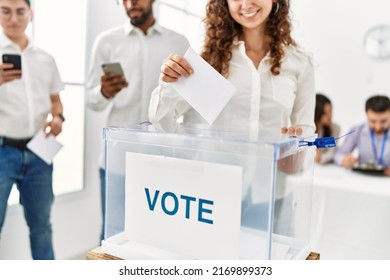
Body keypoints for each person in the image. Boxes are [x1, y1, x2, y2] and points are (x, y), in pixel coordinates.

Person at [149, 0, 315, 235]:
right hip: (213, 195)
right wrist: (167, 83)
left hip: (272, 195)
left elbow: (306, 130)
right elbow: (162, 121)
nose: (246, 4)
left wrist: (297, 149)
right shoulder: (208, 59)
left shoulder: (300, 63)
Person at [86, 0, 189, 240]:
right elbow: (91, 100)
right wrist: (104, 92)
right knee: (112, 235)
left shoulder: (178, 43)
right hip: (117, 158)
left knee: (160, 235)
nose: (131, 3)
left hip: (164, 159)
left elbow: (189, 103)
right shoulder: (106, 41)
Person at [0, 0, 65, 259]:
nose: (14, 18)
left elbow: (55, 101)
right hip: (2, 152)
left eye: (20, 12)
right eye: (6, 11)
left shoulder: (46, 59)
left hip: (39, 151)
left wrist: (58, 118)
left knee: (41, 228)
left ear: (31, 14)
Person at [334, 95, 390, 176]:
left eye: (383, 121)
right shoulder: (357, 130)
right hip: (362, 180)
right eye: (373, 121)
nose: (378, 127)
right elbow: (338, 155)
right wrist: (344, 160)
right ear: (366, 114)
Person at [314, 93, 340, 164]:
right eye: (325, 113)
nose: (330, 116)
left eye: (330, 111)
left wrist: (319, 158)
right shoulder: (307, 130)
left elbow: (331, 153)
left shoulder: (335, 128)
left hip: (323, 168)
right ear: (317, 113)